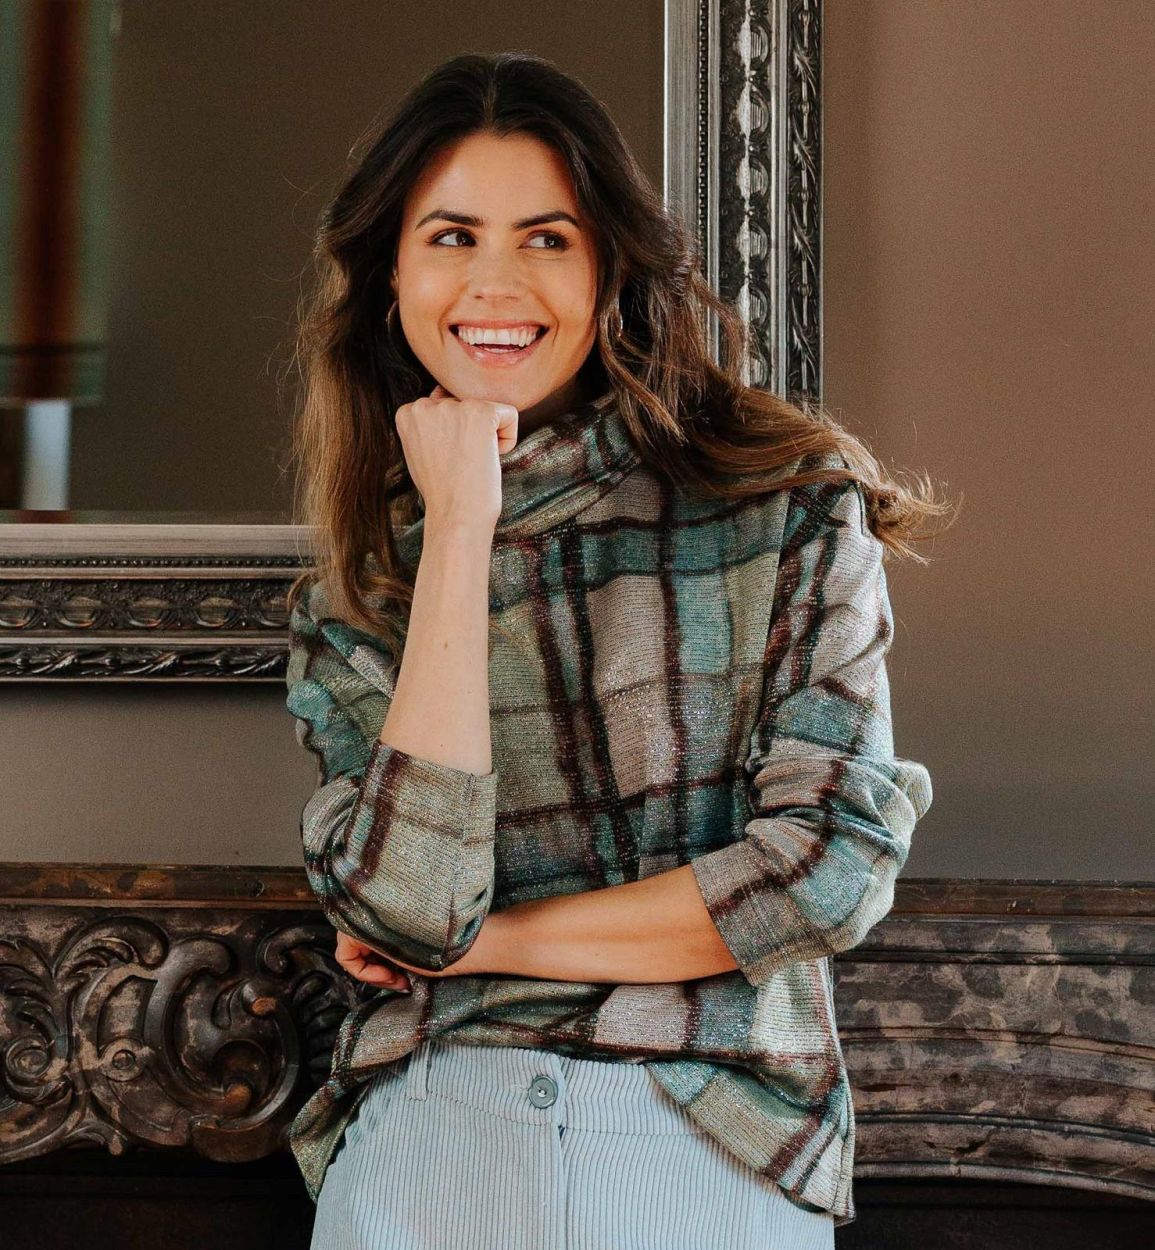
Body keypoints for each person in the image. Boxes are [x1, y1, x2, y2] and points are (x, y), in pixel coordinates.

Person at [283, 51, 951, 1250]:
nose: (495, 281)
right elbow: (411, 906)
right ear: (392, 276)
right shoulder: (366, 585)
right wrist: (461, 526)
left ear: (608, 268)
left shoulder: (785, 503)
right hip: (434, 1132)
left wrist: (488, 947)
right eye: (451, 236)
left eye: (547, 237)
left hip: (710, 1135)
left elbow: (826, 868)